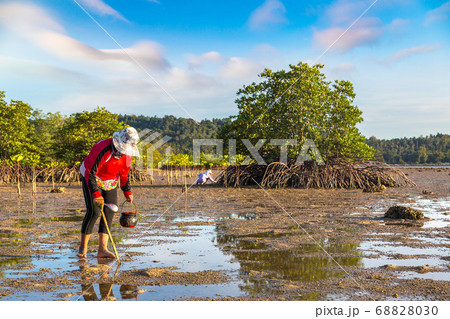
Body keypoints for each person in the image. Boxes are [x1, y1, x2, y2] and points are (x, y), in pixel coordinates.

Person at [77, 127, 140, 259]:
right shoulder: (102, 148)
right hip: (93, 177)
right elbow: (90, 173)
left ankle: (102, 249)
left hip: (110, 181)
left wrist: (126, 190)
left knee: (110, 211)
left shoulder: (127, 156)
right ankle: (83, 249)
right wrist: (96, 194)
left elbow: (124, 173)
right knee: (94, 212)